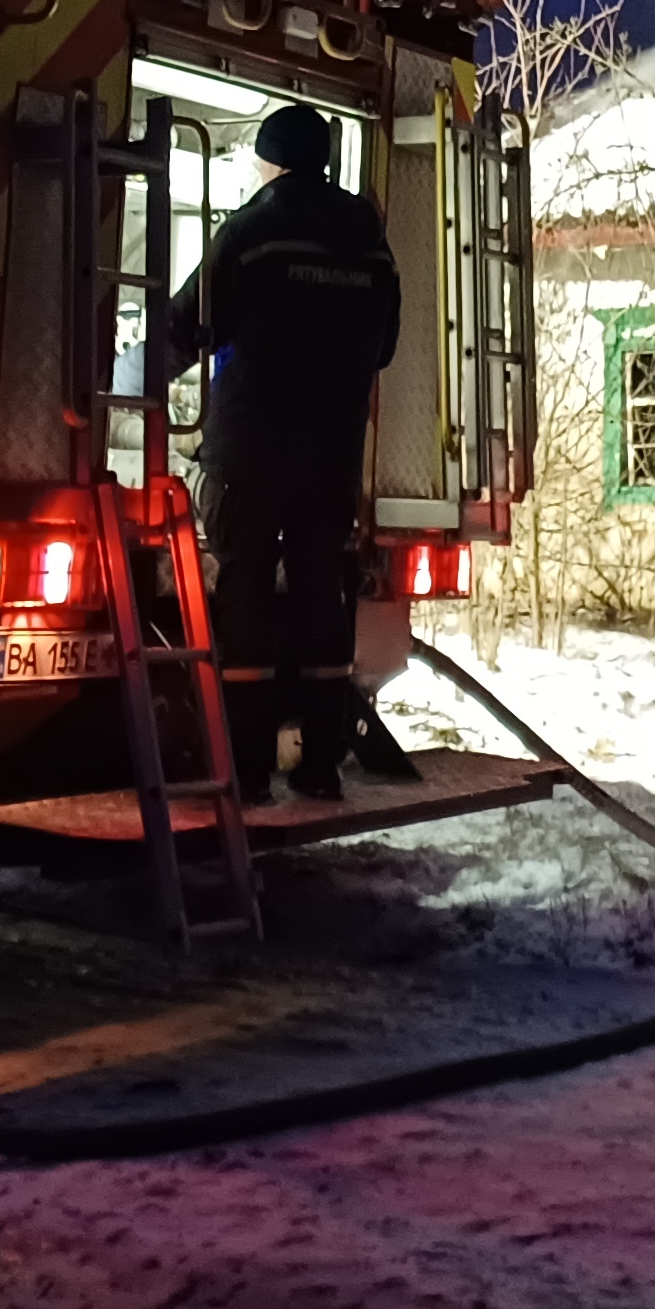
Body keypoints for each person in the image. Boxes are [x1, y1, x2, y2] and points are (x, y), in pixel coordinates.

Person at [174, 101, 399, 799]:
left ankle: (245, 769)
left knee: (243, 591)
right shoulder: (367, 236)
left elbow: (187, 327)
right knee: (319, 596)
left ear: (269, 160)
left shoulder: (249, 231)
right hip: (329, 451)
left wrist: (115, 380)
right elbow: (384, 345)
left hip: (251, 449)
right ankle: (322, 765)